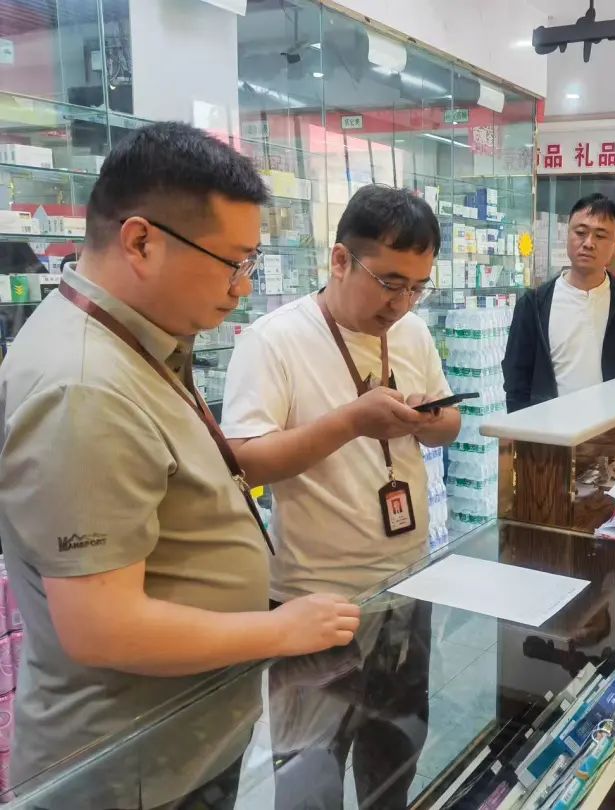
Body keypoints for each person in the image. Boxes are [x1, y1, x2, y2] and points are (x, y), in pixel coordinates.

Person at [0, 122, 360, 809]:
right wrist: (279, 629)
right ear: (141, 241)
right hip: (128, 771)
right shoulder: (85, 385)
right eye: (233, 262)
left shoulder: (135, 340)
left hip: (175, 743)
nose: (243, 288)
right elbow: (102, 626)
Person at [221, 184, 460, 808]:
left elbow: (450, 425)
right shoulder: (273, 340)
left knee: (393, 766)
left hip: (406, 585)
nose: (401, 303)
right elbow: (244, 459)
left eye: (417, 287)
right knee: (310, 783)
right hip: (312, 599)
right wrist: (352, 422)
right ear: (338, 260)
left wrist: (429, 420)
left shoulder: (412, 333)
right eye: (389, 283)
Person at [502, 194, 615, 412]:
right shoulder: (534, 304)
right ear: (568, 234)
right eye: (580, 232)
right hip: (550, 427)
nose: (588, 243)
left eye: (600, 236)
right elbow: (516, 380)